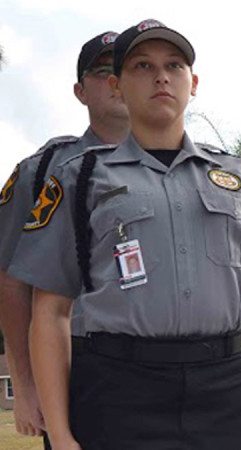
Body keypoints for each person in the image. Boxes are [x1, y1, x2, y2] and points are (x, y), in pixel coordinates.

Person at [8, 19, 241, 450]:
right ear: (117, 85)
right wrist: (63, 435)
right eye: (142, 66)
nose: (161, 76)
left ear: (193, 82)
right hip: (119, 394)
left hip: (228, 391)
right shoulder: (79, 178)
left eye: (174, 65)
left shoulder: (237, 177)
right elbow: (50, 313)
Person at [0, 30, 129, 444]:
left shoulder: (193, 168)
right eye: (103, 71)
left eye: (126, 70)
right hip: (81, 366)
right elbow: (11, 280)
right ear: (80, 91)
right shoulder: (45, 170)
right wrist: (25, 384)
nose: (116, 81)